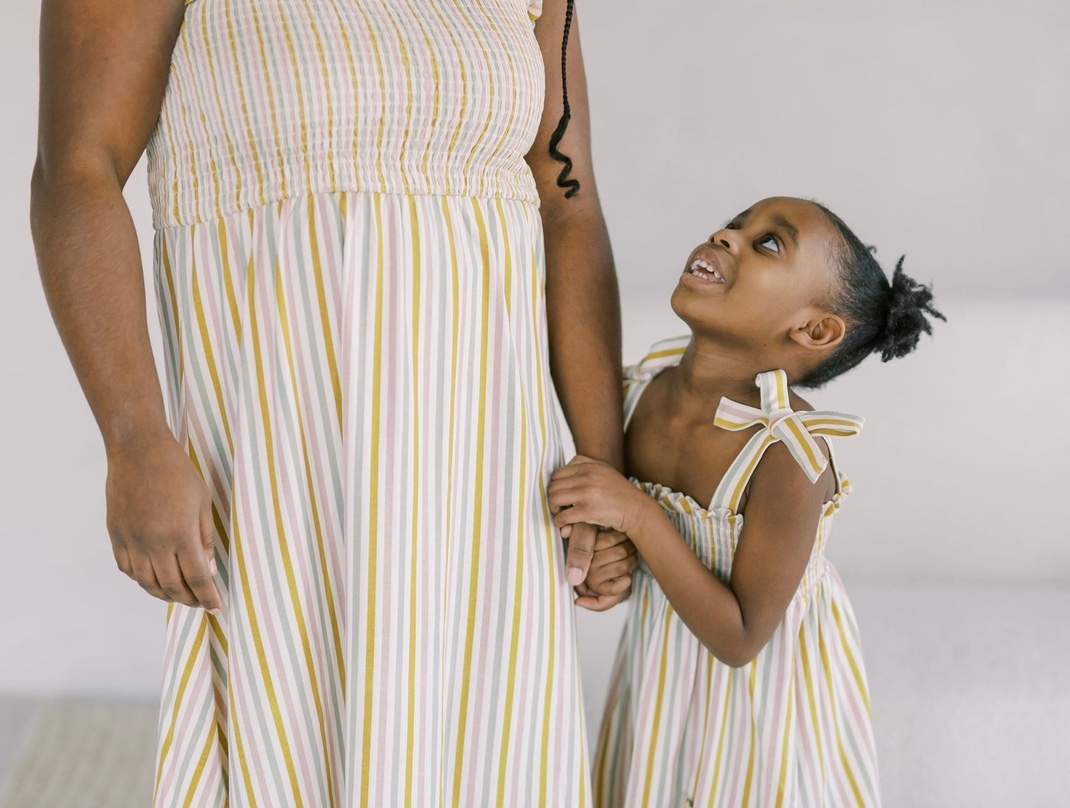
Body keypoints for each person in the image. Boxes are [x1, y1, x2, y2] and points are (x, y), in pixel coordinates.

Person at [31, 0, 636, 804]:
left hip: (487, 486)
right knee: (284, 751)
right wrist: (134, 434)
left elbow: (569, 203)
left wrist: (607, 473)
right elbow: (77, 169)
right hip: (282, 471)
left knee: (486, 758)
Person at [548, 196, 945, 807]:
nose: (724, 235)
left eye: (767, 243)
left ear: (813, 330)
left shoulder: (786, 453)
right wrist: (613, 558)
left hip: (765, 711)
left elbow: (741, 637)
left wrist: (634, 513)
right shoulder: (635, 392)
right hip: (660, 680)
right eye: (735, 224)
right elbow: (630, 540)